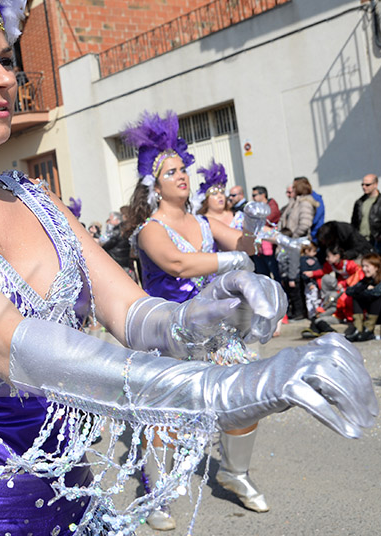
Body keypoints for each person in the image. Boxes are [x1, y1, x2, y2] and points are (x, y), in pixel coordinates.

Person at [0, 0, 375, 534]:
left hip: (75, 510)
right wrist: (222, 388)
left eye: (6, 58)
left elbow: (134, 313)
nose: (2, 78)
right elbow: (13, 350)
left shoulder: (37, 200)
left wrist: (206, 315)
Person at [128, 120, 277, 526]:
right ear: (155, 186)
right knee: (167, 417)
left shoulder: (207, 224)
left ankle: (234, 472)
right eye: (171, 172)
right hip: (169, 334)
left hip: (215, 330)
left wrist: (251, 224)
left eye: (183, 170)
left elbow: (248, 246)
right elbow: (177, 263)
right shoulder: (149, 231)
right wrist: (232, 262)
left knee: (246, 397)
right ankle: (157, 497)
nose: (181, 177)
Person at [303, 247, 363, 326]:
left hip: (353, 285)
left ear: (337, 256)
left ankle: (347, 317)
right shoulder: (332, 265)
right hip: (341, 286)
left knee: (343, 298)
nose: (326, 259)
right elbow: (324, 271)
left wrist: (345, 284)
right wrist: (313, 273)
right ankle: (325, 310)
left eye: (328, 256)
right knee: (327, 282)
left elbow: (358, 273)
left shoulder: (348, 264)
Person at [350, 174, 381, 259]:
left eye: (367, 185)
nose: (364, 187)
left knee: (378, 265)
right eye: (362, 184)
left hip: (377, 241)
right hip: (362, 241)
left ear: (375, 184)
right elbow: (354, 221)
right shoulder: (359, 202)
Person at [251, 186, 281, 280]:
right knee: (263, 275)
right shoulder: (256, 207)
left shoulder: (272, 206)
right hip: (259, 246)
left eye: (254, 195)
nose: (253, 198)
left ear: (263, 195)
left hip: (270, 245)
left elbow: (266, 221)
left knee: (275, 273)